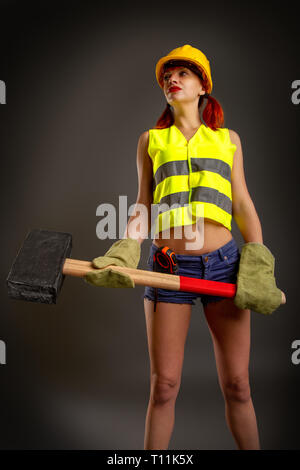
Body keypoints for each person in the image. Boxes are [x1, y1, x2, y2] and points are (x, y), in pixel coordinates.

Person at [84, 45, 283, 450]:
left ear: (202, 87)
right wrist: (125, 249)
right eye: (167, 76)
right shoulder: (150, 140)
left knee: (239, 386)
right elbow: (142, 204)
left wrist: (258, 261)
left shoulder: (228, 140)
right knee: (165, 387)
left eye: (182, 74)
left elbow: (242, 203)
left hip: (224, 265)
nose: (172, 80)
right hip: (170, 268)